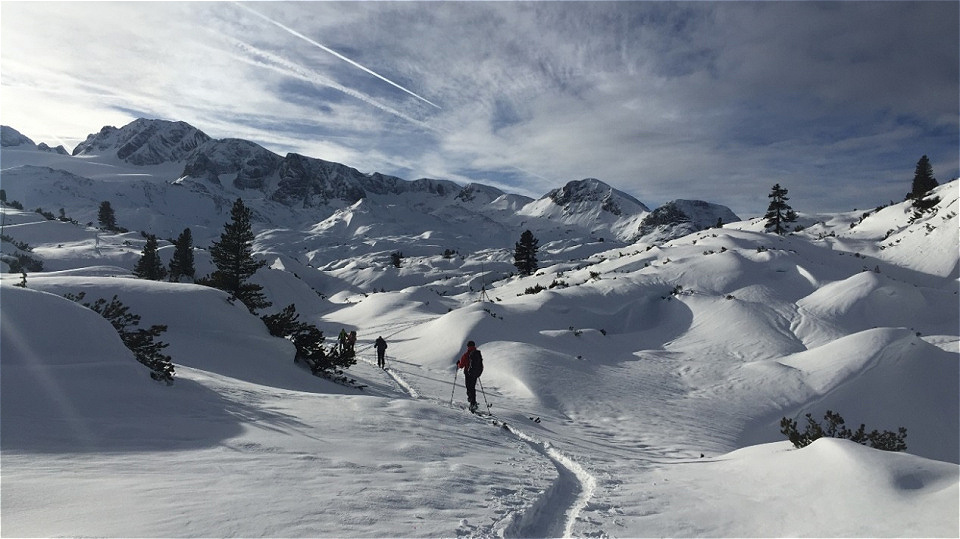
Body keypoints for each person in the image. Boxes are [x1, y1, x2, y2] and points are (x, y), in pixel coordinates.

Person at [456, 340, 484, 412]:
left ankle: (472, 403)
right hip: (475, 374)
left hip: (468, 374)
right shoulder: (477, 353)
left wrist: (458, 364)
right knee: (472, 388)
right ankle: (473, 402)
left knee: (469, 388)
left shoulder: (466, 355)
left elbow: (461, 366)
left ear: (468, 346)